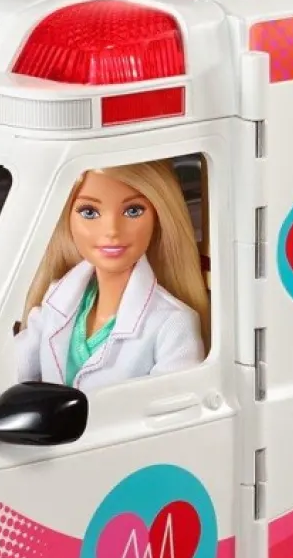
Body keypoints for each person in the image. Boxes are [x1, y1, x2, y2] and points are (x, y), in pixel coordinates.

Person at [15, 162, 209, 393]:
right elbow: (7, 370)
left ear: (158, 216)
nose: (112, 230)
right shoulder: (57, 299)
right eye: (89, 212)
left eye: (133, 211)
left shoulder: (173, 323)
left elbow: (175, 406)